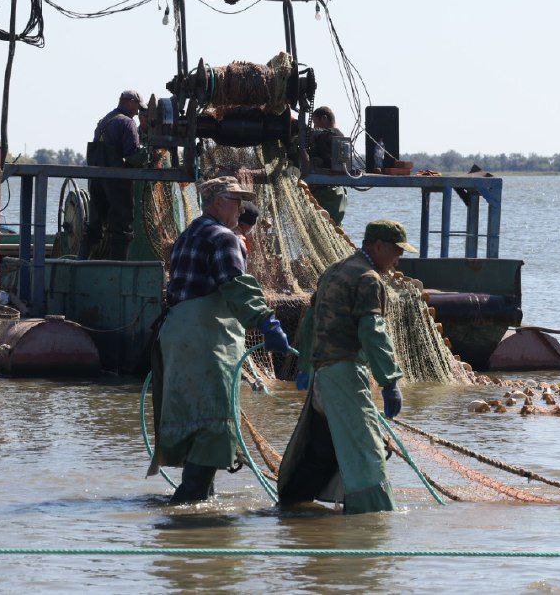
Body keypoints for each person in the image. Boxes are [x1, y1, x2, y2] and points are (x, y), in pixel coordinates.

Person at [148, 176, 292, 503]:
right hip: (206, 337)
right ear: (216, 202)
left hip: (176, 334)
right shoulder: (224, 237)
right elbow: (236, 286)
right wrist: (266, 322)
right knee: (216, 417)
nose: (241, 208)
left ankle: (200, 502)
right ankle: (189, 502)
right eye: (235, 200)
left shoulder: (189, 233)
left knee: (192, 415)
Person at [277, 219, 409, 515]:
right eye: (397, 250)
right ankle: (373, 518)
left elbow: (310, 321)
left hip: (321, 377)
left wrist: (306, 366)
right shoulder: (368, 278)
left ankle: (291, 508)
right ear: (378, 246)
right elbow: (373, 331)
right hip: (345, 374)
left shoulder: (334, 271)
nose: (399, 257)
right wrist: (389, 381)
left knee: (321, 449)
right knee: (367, 451)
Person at [85, 89, 147, 260]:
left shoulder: (104, 121)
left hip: (96, 180)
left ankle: (81, 262)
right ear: (129, 102)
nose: (138, 112)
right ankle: (118, 268)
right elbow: (132, 155)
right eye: (137, 107)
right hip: (117, 182)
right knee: (122, 226)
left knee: (95, 224)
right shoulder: (127, 122)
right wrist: (147, 155)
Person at [306, 106, 348, 225]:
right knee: (335, 228)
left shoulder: (327, 135)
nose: (314, 127)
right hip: (340, 193)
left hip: (325, 193)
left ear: (324, 118)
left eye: (315, 123)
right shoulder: (341, 136)